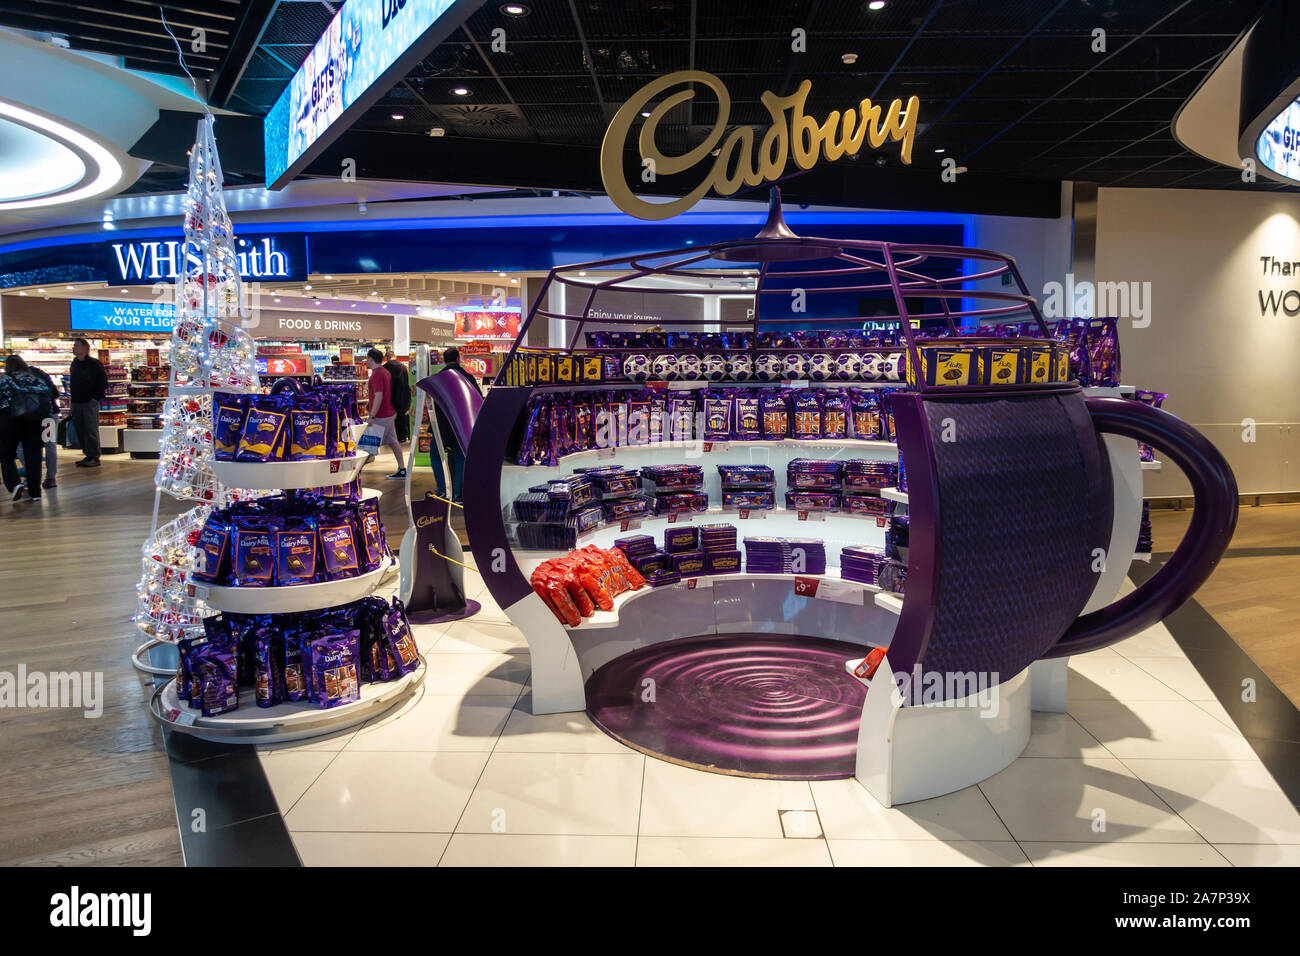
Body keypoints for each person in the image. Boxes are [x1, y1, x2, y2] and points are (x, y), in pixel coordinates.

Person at [0, 356, 57, 502]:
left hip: (10, 420)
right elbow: (51, 393)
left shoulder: (5, 380)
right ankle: (35, 492)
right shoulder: (36, 378)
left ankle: (14, 484)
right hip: (35, 421)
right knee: (34, 455)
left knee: (7, 455)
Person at [434, 347, 483, 502]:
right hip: (461, 423)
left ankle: (442, 490)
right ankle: (458, 494)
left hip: (441, 425)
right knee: (461, 457)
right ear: (458, 359)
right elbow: (478, 399)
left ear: (444, 360)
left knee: (436, 456)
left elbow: (434, 403)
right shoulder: (468, 377)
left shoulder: (438, 377)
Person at [364, 347, 406, 480]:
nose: (366, 361)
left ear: (371, 359)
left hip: (381, 415)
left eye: (367, 358)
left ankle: (354, 473)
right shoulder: (384, 372)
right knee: (393, 441)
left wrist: (372, 415)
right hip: (388, 412)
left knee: (368, 445)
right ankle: (402, 469)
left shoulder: (377, 374)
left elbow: (379, 396)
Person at [69, 338, 107, 468]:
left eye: (76, 346)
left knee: (91, 429)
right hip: (77, 401)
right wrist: (72, 402)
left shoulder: (94, 364)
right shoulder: (74, 364)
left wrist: (95, 398)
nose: (74, 348)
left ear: (85, 349)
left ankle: (95, 456)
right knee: (80, 429)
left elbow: (102, 382)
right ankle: (87, 454)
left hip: (89, 402)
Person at [382, 349, 412, 444]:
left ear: (386, 358)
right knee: (401, 418)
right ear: (395, 357)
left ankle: (389, 437)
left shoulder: (384, 368)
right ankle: (402, 437)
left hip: (388, 398)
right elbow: (407, 383)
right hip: (401, 397)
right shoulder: (403, 367)